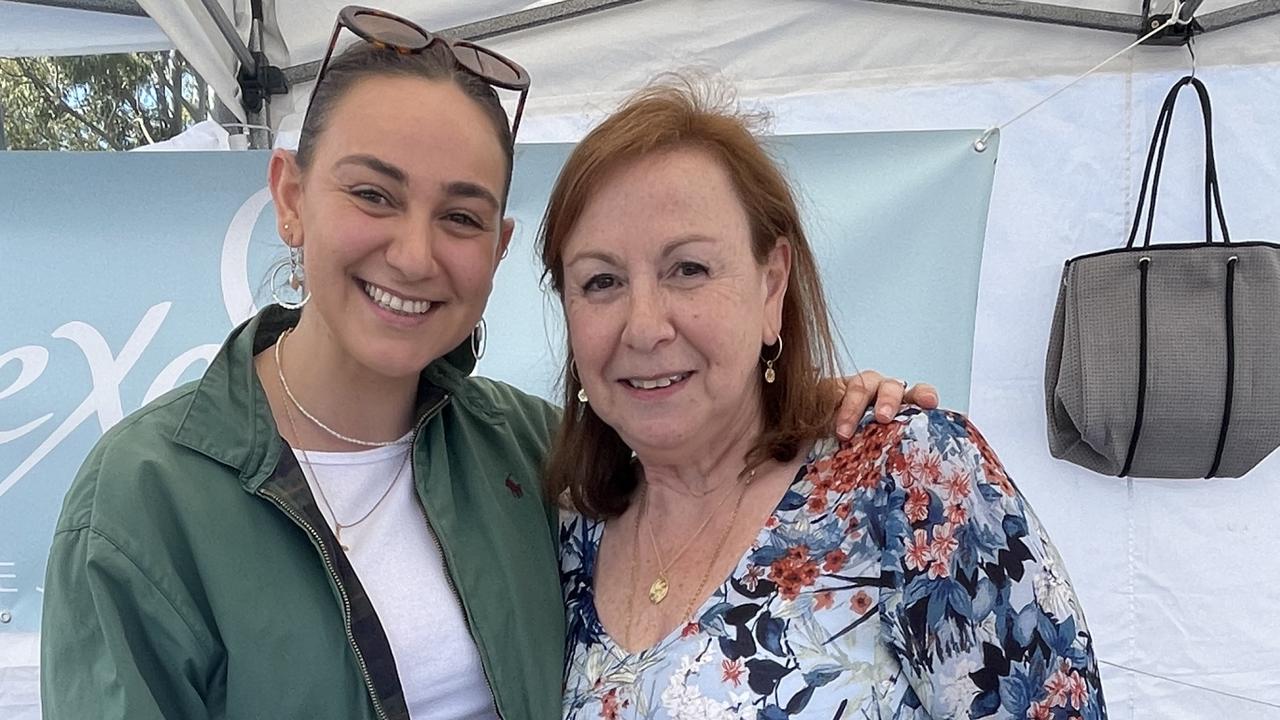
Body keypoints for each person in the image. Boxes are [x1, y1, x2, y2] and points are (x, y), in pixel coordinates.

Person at [38, 7, 935, 720]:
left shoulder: (530, 451)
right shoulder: (144, 504)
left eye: (462, 216)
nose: (417, 254)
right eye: (372, 194)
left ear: (500, 248)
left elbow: (712, 464)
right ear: (290, 198)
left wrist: (816, 411)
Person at [546, 80, 1107, 719]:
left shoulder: (909, 482)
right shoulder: (567, 535)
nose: (644, 327)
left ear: (771, 285)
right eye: (601, 281)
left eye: (689, 269)